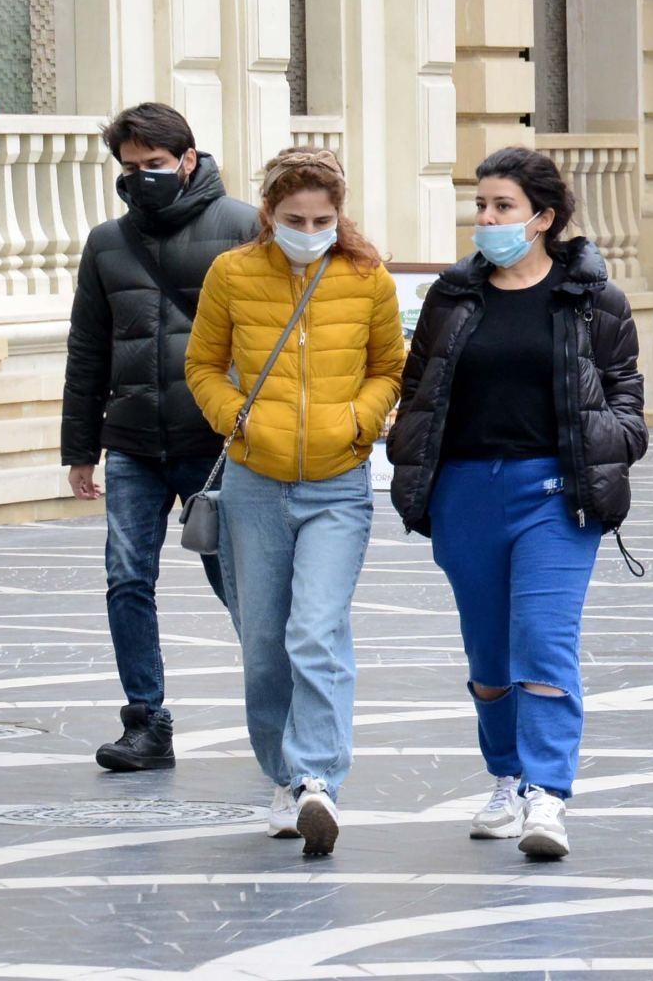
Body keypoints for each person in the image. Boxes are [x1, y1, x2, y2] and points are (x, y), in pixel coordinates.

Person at [387, 147, 648, 860]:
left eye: (502, 206)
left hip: (554, 494)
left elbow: (627, 394)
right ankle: (506, 777)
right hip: (466, 491)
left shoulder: (593, 297)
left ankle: (548, 794)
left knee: (542, 639)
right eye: (481, 206)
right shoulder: (452, 295)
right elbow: (419, 388)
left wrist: (609, 444)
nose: (488, 219)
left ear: (544, 217)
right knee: (489, 653)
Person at [185, 147, 405, 856]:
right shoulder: (232, 274)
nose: (309, 229)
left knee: (316, 630)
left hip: (338, 485)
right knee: (263, 647)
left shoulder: (366, 278)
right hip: (254, 484)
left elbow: (389, 367)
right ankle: (283, 778)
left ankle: (317, 781)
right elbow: (201, 363)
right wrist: (233, 416)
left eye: (322, 218)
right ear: (269, 215)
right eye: (294, 218)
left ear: (339, 215)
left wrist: (359, 423)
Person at [61, 102, 258, 773]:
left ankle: (280, 707)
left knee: (236, 580)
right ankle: (146, 721)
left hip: (218, 444)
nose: (142, 176)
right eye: (131, 166)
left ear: (188, 160)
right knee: (125, 577)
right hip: (135, 443)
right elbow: (88, 349)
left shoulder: (242, 226)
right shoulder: (107, 243)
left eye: (155, 164)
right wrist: (79, 448)